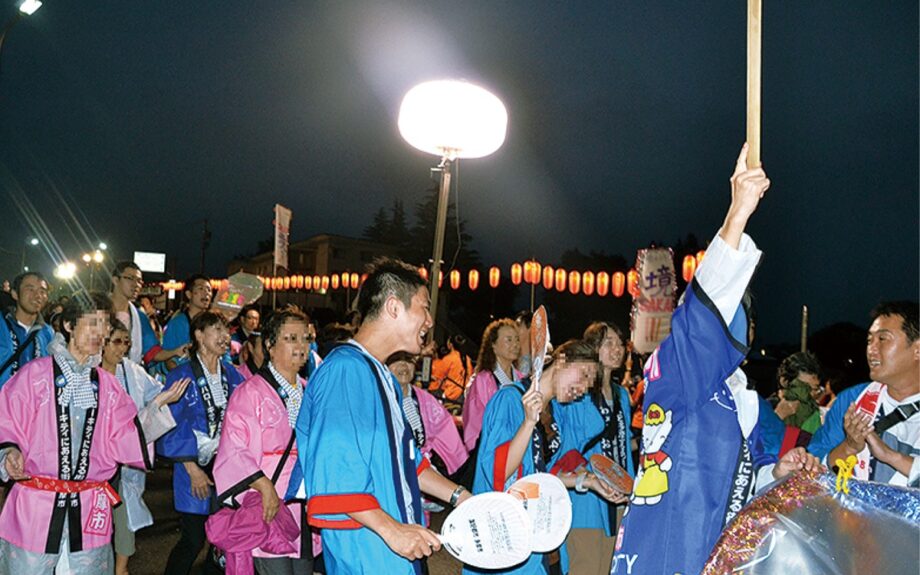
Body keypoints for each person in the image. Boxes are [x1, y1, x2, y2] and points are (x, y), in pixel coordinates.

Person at [612, 145, 820, 575]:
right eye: (723, 307)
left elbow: (750, 473)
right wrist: (737, 214)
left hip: (722, 548)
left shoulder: (740, 396)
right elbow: (697, 323)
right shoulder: (675, 371)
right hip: (672, 545)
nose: (725, 318)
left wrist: (779, 470)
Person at [298, 258, 472, 575]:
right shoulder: (345, 371)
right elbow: (337, 477)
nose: (430, 321)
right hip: (369, 554)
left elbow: (409, 462)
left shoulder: (384, 378)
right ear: (394, 307)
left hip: (397, 550)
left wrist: (461, 497)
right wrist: (393, 531)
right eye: (424, 307)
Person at [0, 293, 153, 574]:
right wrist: (9, 452)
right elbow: (5, 423)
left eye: (105, 325)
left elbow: (126, 438)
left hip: (88, 505)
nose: (101, 332)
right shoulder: (33, 376)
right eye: (92, 322)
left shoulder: (108, 387)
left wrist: (156, 413)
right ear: (69, 325)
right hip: (36, 504)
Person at [467, 339, 621, 575]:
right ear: (560, 361)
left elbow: (542, 479)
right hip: (503, 534)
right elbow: (498, 472)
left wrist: (588, 482)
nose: (581, 389)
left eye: (588, 387)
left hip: (536, 538)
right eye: (583, 375)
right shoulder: (510, 399)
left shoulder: (557, 415)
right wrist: (529, 423)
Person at [213, 308, 314, 574]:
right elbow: (234, 449)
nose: (301, 346)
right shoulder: (250, 392)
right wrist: (263, 487)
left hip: (304, 506)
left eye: (305, 338)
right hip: (269, 501)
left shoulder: (310, 391)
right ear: (270, 345)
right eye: (291, 338)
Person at [157, 311, 245, 575]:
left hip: (226, 467)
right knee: (193, 538)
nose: (224, 336)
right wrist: (192, 469)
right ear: (198, 335)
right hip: (192, 465)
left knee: (221, 537)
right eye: (216, 330)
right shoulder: (182, 375)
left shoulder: (234, 375)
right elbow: (169, 424)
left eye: (226, 330)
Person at [99, 319, 188, 575]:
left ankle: (121, 569)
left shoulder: (132, 371)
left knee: (123, 513)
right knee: (97, 516)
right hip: (97, 459)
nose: (123, 348)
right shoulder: (88, 372)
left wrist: (168, 397)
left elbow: (157, 393)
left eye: (126, 342)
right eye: (117, 341)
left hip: (124, 457)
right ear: (102, 342)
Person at [809, 301, 919, 486]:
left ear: (917, 350)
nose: (871, 349)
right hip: (848, 515)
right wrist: (849, 447)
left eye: (883, 339)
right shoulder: (852, 401)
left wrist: (891, 457)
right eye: (869, 340)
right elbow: (812, 470)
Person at [562, 322, 634, 575]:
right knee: (586, 564)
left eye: (620, 343)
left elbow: (624, 444)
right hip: (586, 496)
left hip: (619, 492)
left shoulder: (622, 395)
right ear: (593, 347)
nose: (617, 349)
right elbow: (568, 448)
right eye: (609, 343)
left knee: (612, 566)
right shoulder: (578, 392)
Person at [388, 351, 469, 489]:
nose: (403, 365)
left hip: (425, 473)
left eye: (408, 360)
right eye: (396, 360)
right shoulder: (380, 400)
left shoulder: (425, 400)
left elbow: (447, 432)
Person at [462, 318, 522, 451]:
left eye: (517, 339)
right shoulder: (483, 380)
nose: (516, 344)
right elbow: (474, 425)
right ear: (493, 346)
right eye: (509, 340)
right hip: (491, 451)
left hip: (518, 451)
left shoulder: (522, 380)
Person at [0, 271, 54, 388]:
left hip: (33, 403)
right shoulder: (2, 324)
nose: (38, 295)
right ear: (15, 294)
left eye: (42, 291)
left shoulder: (48, 333)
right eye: (30, 289)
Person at [155, 274, 212, 372]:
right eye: (201, 288)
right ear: (189, 294)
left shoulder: (213, 323)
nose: (206, 293)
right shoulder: (177, 324)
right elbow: (168, 359)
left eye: (209, 290)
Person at [109, 261, 159, 366]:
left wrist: (175, 351)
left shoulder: (139, 317)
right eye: (130, 278)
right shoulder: (97, 310)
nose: (136, 285)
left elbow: (151, 351)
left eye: (139, 281)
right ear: (115, 280)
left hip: (127, 374)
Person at [429, 333, 474, 413]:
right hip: (462, 396)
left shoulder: (449, 359)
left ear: (450, 345)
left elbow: (437, 376)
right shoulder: (468, 359)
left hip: (449, 394)